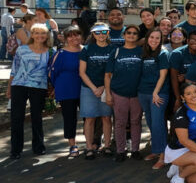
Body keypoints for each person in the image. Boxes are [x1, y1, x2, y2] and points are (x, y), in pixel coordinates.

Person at [8, 24, 53, 159]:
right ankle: (15, 150)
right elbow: (14, 70)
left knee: (37, 118)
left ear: (46, 36)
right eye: (37, 33)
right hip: (19, 86)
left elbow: (52, 72)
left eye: (43, 33)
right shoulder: (21, 50)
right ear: (32, 35)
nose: (40, 36)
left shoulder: (50, 52)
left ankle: (38, 147)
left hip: (39, 87)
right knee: (16, 118)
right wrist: (9, 87)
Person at [104, 25, 144, 161]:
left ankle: (135, 149)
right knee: (120, 122)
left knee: (136, 122)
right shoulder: (116, 52)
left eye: (134, 33)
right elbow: (108, 75)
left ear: (138, 36)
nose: (131, 35)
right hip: (119, 92)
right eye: (129, 33)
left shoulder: (142, 52)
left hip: (137, 93)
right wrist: (108, 94)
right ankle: (121, 150)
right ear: (124, 35)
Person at [78, 23, 116, 158]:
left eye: (104, 32)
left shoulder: (114, 49)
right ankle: (89, 147)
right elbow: (82, 72)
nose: (101, 35)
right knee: (89, 118)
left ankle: (106, 145)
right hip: (89, 89)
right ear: (93, 34)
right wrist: (94, 88)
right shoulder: (87, 49)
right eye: (97, 32)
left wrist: (104, 87)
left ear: (108, 33)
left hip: (107, 88)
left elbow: (114, 72)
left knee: (106, 117)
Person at [138, 28, 171, 169]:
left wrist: (156, 92)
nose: (154, 40)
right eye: (152, 37)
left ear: (161, 39)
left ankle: (163, 156)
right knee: (151, 123)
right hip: (143, 92)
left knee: (158, 124)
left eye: (157, 38)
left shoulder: (163, 53)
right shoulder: (145, 53)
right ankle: (156, 150)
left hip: (158, 93)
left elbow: (163, 76)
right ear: (147, 38)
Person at [49, 26, 83, 158]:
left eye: (77, 35)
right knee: (70, 118)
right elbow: (52, 73)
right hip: (66, 89)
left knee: (90, 117)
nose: (74, 38)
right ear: (65, 38)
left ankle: (93, 142)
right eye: (70, 35)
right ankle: (72, 144)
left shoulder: (85, 50)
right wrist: (55, 88)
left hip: (85, 88)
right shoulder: (61, 54)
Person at [169, 31, 196, 112]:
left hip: (194, 93)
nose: (195, 42)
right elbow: (174, 78)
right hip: (177, 91)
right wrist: (178, 98)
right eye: (192, 40)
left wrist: (186, 76)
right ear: (187, 41)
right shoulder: (177, 54)